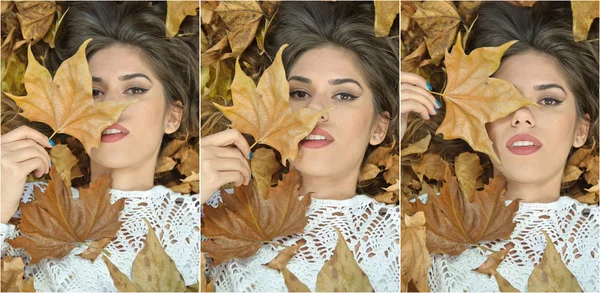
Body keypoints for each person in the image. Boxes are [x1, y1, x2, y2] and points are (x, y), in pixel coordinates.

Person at [0, 2, 200, 291]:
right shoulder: (20, 206)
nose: (110, 109)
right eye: (94, 92)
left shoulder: (210, 216)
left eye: (135, 90)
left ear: (173, 116)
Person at [201, 1, 400, 291]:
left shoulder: (408, 230)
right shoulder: (211, 213)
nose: (315, 111)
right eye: (299, 93)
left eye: (343, 95)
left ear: (378, 127)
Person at [401, 1, 599, 291]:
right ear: (479, 119)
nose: (522, 116)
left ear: (581, 130)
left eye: (549, 100)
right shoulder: (422, 222)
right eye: (503, 98)